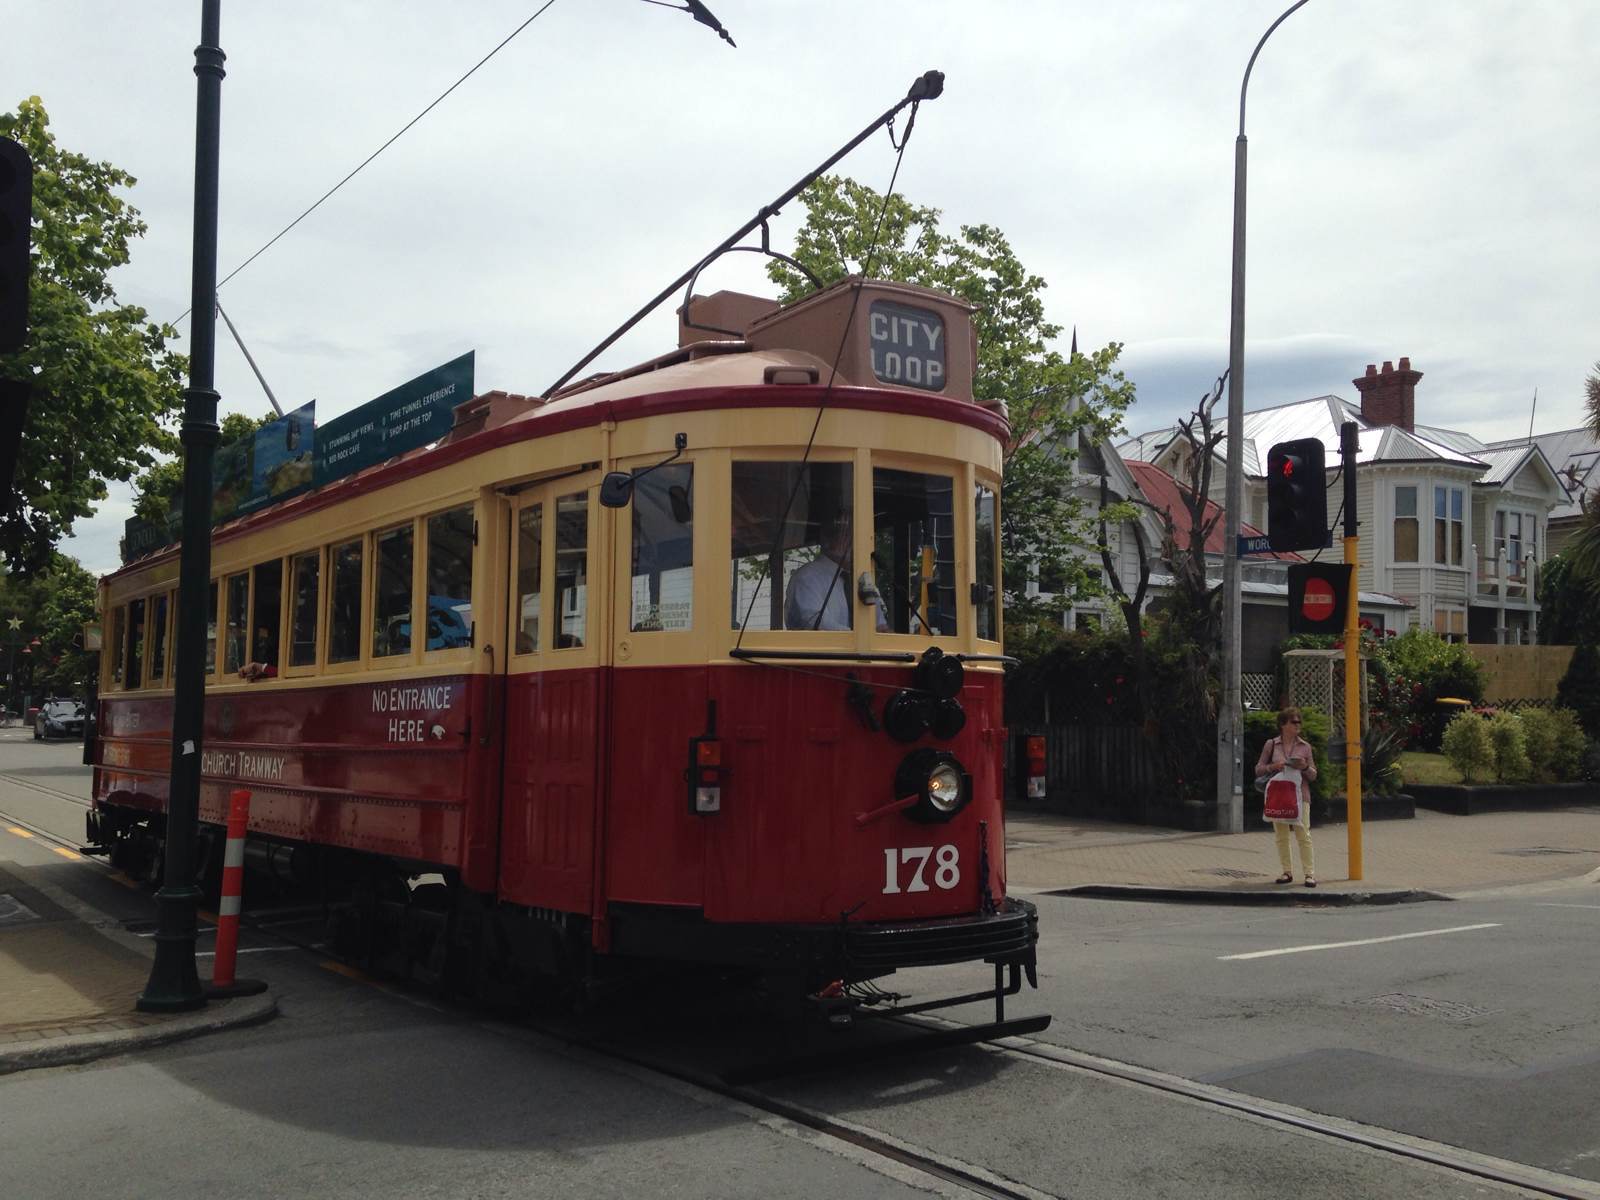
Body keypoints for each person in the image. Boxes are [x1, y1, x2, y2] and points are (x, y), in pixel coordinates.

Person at [784, 513, 889, 632]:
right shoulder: (808, 576)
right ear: (826, 539)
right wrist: (860, 638)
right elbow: (817, 624)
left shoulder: (862, 578)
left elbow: (879, 626)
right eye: (847, 534)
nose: (856, 543)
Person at [1254, 705, 1317, 887]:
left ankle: (1309, 874)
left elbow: (1313, 775)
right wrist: (1274, 767)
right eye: (1293, 722)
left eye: (1299, 722)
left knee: (1303, 834)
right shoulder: (1271, 744)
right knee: (1281, 836)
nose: (1298, 725)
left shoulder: (1305, 747)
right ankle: (1286, 871)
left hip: (1300, 796)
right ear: (1283, 724)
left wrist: (1304, 766)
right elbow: (1258, 769)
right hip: (1279, 795)